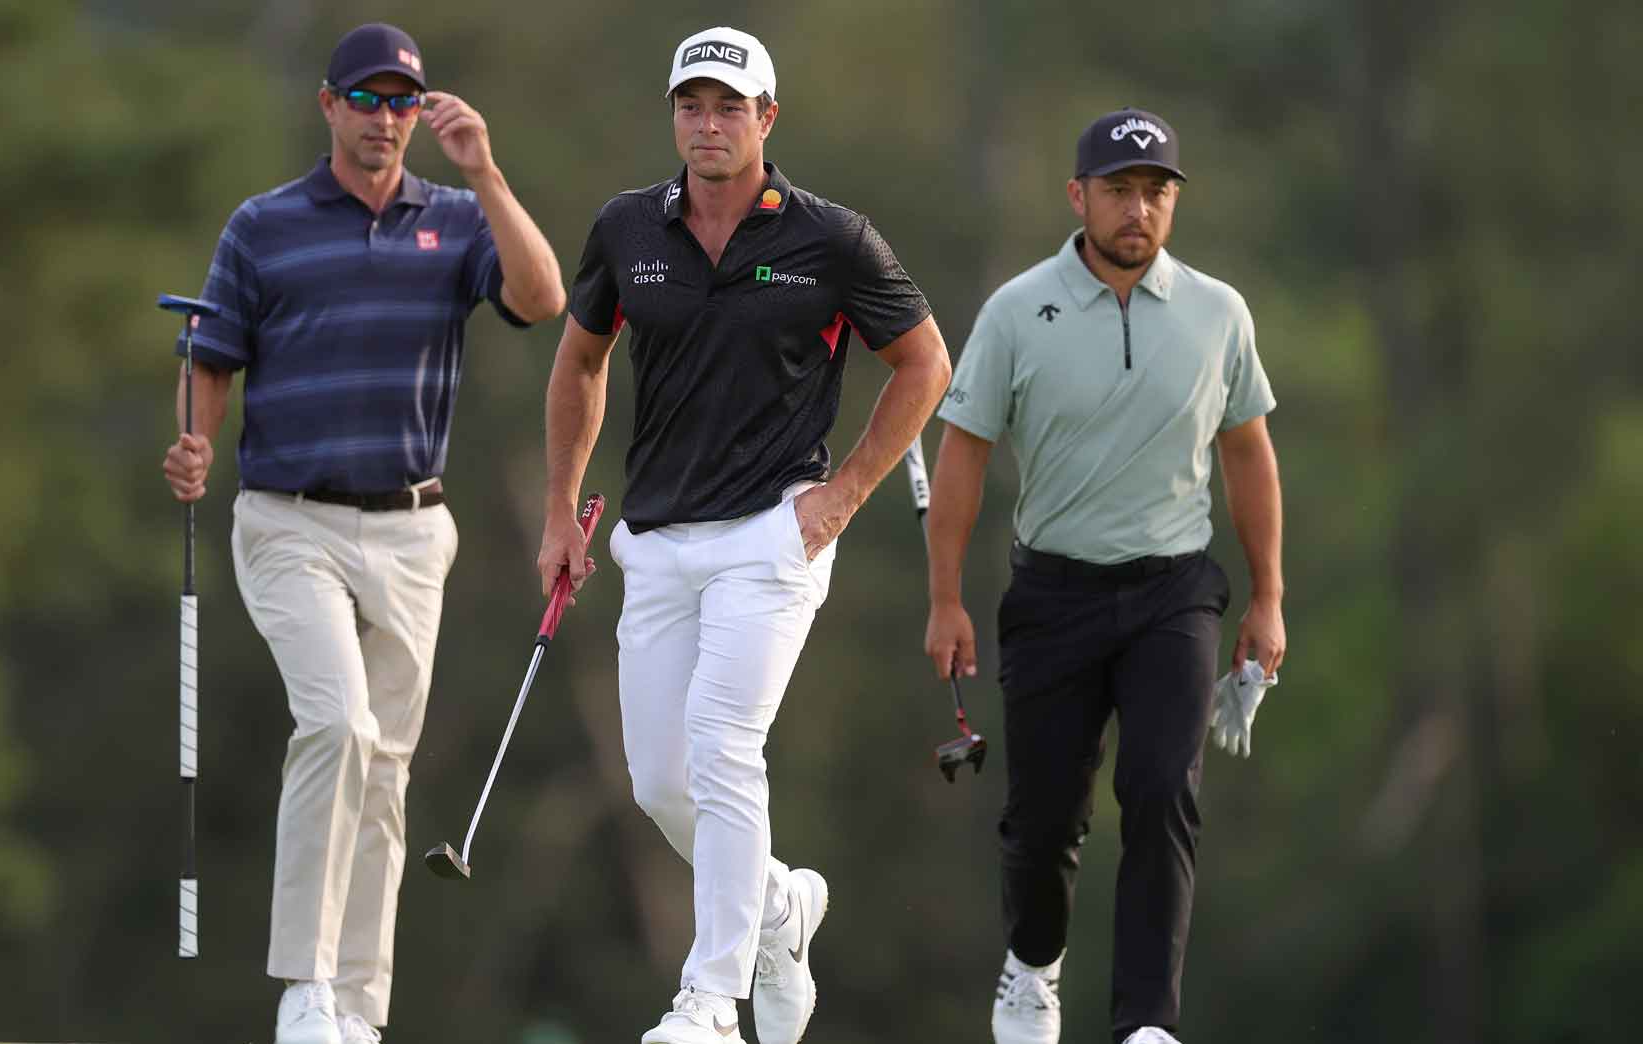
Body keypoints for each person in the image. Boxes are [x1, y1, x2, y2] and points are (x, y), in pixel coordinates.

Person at [538, 26, 951, 1044]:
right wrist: (560, 506)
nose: (708, 123)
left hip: (774, 535)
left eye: (730, 106)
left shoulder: (831, 239)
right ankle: (775, 908)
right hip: (657, 537)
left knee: (723, 750)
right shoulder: (627, 226)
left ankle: (708, 1001)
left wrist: (846, 492)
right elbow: (579, 362)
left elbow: (924, 363)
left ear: (767, 119)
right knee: (658, 782)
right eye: (692, 105)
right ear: (673, 114)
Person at [159, 22, 565, 1044]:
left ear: (417, 115)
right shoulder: (264, 225)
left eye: (401, 103)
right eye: (366, 100)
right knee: (337, 726)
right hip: (288, 520)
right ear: (328, 107)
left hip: (413, 532)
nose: (384, 120)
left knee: (385, 772)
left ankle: (356, 1009)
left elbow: (541, 296)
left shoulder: (460, 218)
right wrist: (194, 445)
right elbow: (211, 357)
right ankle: (302, 988)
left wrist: (488, 171)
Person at [921, 108, 1286, 1044]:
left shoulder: (1218, 312)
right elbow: (961, 455)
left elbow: (1247, 453)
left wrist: (1269, 597)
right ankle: (1033, 965)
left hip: (1175, 591)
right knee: (1044, 821)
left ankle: (1146, 1024)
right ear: (1078, 196)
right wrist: (947, 598)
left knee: (1164, 789)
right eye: (1119, 191)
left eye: (1157, 192)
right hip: (1054, 593)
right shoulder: (1015, 310)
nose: (1139, 210)